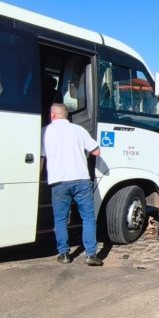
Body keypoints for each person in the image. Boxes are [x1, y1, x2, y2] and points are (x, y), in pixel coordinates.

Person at [41, 103, 103, 266]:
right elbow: (96, 151)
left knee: (60, 219)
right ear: (66, 115)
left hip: (59, 182)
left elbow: (42, 157)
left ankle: (64, 254)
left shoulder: (45, 132)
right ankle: (90, 254)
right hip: (81, 179)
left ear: (53, 115)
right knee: (88, 218)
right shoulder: (79, 130)